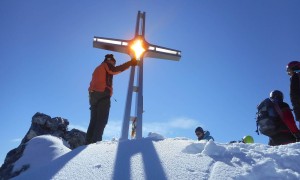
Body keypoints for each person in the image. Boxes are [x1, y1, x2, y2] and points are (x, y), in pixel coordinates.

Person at [86, 54, 137, 144]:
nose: (113, 64)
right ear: (110, 60)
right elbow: (114, 70)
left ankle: (87, 143)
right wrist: (130, 63)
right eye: (113, 62)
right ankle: (94, 144)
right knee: (101, 121)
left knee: (94, 120)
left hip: (93, 96)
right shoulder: (106, 65)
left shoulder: (98, 68)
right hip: (102, 95)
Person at [286, 61, 300, 128]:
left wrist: (297, 111)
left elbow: (294, 95)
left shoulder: (295, 77)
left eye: (289, 70)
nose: (288, 73)